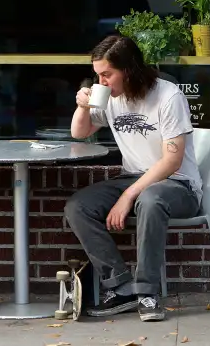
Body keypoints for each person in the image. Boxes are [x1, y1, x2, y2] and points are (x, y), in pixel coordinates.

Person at [65, 35, 202, 322]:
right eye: (97, 75)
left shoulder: (168, 96)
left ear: (127, 69)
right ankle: (122, 287)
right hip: (134, 178)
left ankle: (148, 294)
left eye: (106, 74)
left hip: (178, 184)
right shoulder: (110, 96)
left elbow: (171, 160)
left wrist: (129, 196)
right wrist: (82, 105)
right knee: (78, 206)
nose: (101, 82)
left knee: (150, 199)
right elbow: (80, 133)